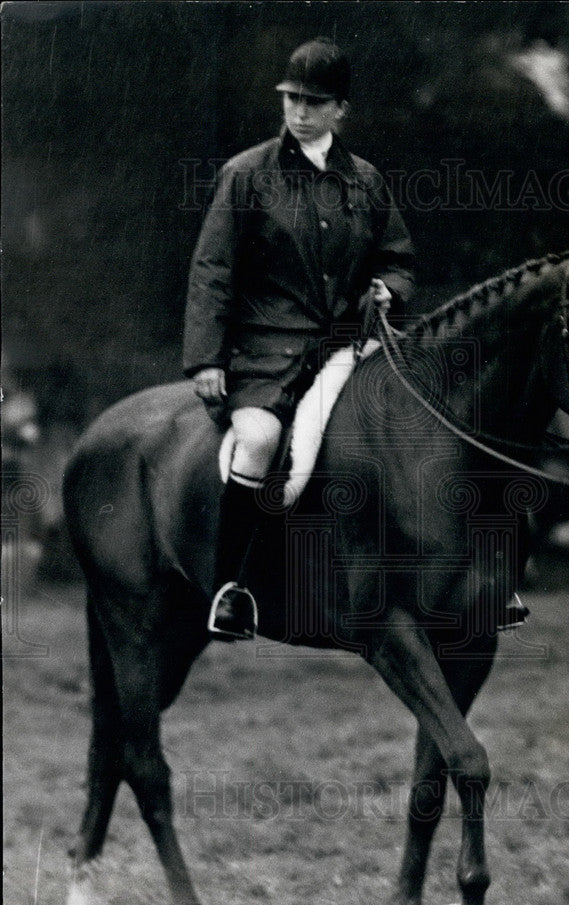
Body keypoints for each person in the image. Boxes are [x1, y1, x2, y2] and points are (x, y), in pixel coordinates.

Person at [183, 37, 415, 639]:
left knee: (418, 420)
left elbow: (399, 260)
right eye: (292, 99)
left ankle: (466, 578)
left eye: (315, 102)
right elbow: (213, 272)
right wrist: (206, 360)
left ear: (341, 109)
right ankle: (232, 588)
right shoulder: (246, 174)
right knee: (258, 440)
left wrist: (388, 288)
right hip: (266, 355)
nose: (300, 112)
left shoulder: (365, 181)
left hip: (347, 349)